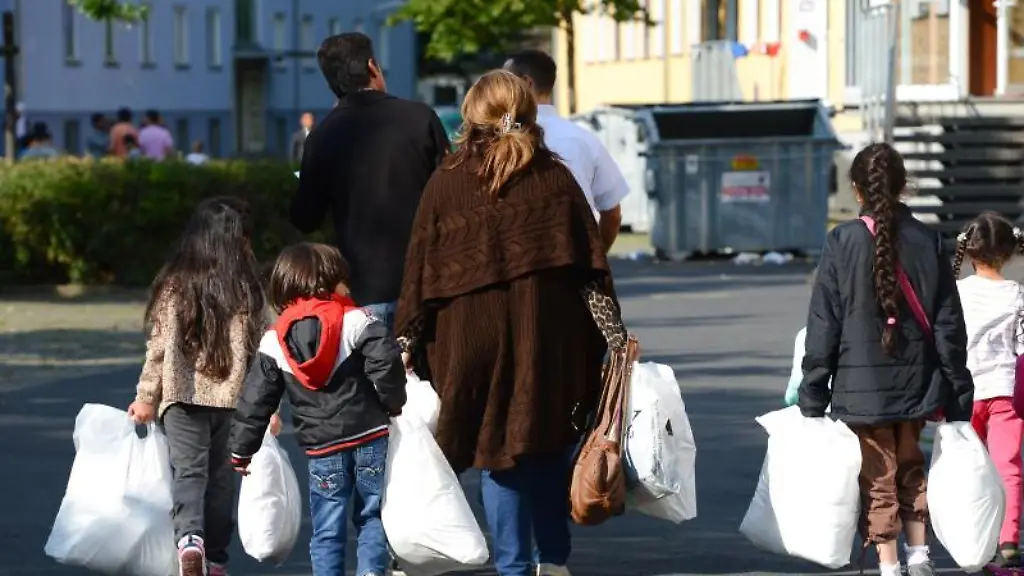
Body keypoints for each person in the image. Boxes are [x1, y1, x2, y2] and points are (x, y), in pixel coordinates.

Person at [395, 70, 630, 576]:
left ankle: (514, 567)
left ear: (472, 115)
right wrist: (615, 339)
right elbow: (589, 269)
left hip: (467, 340)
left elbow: (420, 270)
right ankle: (554, 560)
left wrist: (407, 340)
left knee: (496, 449)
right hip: (546, 335)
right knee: (547, 441)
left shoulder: (446, 181)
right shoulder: (554, 178)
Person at [798, 142, 974, 576]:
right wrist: (958, 390)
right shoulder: (928, 240)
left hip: (862, 389)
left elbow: (824, 324)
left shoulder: (842, 241)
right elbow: (949, 324)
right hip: (918, 380)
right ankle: (920, 555)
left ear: (857, 190)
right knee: (912, 467)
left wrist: (813, 393)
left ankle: (890, 565)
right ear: (903, 186)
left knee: (877, 477)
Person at [230, 242, 406, 576]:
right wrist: (392, 403)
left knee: (327, 528)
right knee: (371, 516)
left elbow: (255, 400)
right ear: (331, 281)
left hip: (322, 448)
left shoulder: (274, 340)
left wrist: (242, 450)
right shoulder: (355, 320)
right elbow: (386, 361)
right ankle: (371, 572)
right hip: (369, 435)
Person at [126, 197, 274, 576]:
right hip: (234, 401)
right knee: (222, 480)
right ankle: (217, 559)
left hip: (182, 399)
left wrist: (146, 397)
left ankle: (190, 541)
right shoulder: (248, 288)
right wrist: (269, 406)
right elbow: (265, 351)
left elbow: (158, 348)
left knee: (189, 473)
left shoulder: (175, 285)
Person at [290, 32, 449, 330]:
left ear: (331, 83)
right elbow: (450, 194)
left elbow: (305, 217)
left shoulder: (322, 137)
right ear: (373, 67)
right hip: (426, 284)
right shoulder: (420, 118)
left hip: (362, 291)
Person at [952, 211, 1024, 569]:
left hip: (966, 392)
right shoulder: (1016, 294)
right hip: (1006, 391)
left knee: (969, 468)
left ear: (968, 252)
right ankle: (1008, 538)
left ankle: (973, 537)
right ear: (1008, 254)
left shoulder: (957, 293)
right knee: (1007, 466)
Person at [504, 50, 630, 252]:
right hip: (575, 257)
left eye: (506, 82)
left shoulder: (500, 140)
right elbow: (612, 214)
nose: (500, 90)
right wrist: (596, 256)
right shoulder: (585, 139)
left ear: (526, 83)